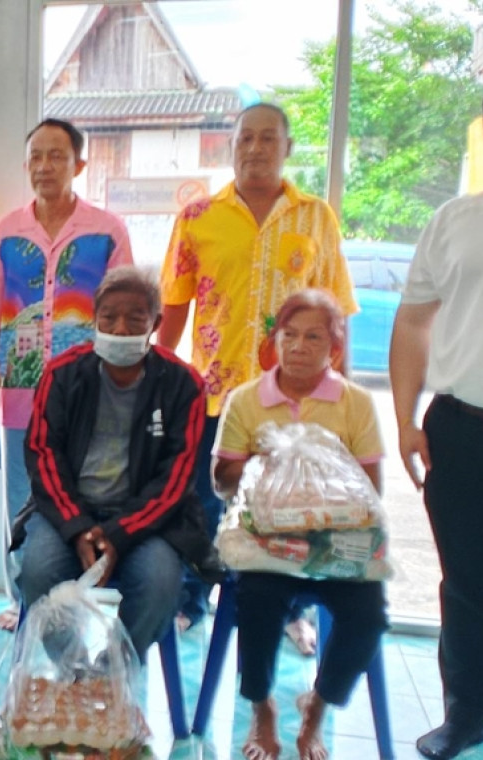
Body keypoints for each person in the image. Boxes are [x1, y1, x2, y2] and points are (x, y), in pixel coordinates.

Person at [158, 102, 357, 640]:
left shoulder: (316, 217)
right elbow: (174, 305)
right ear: (232, 147)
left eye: (268, 138)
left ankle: (289, 610)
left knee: (286, 507)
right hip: (213, 394)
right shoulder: (198, 217)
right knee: (201, 503)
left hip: (293, 398)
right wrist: (159, 380)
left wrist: (342, 392)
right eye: (245, 138)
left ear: (287, 147)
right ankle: (191, 599)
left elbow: (336, 311)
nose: (256, 148)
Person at [213, 289, 388, 760]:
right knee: (256, 600)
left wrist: (320, 475)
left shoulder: (354, 403)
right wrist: (272, 466)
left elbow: (371, 489)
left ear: (335, 348)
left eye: (314, 337)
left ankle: (317, 706)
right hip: (267, 543)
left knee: (369, 614)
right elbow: (221, 481)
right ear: (274, 341)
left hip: (336, 544)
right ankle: (261, 707)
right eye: (289, 335)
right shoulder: (247, 400)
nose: (298, 347)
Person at [0, 118, 133, 625]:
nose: (44, 166)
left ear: (78, 165)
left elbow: (126, 310)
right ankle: (25, 600)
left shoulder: (107, 230)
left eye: (56, 156)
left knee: (85, 490)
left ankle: (77, 598)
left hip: (90, 392)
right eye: (36, 157)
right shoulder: (7, 232)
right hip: (21, 390)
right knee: (22, 494)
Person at [17, 266, 214, 663]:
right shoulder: (62, 373)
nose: (120, 329)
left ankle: (114, 672)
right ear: (94, 319)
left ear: (155, 323)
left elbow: (176, 479)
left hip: (148, 521)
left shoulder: (184, 384)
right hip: (68, 513)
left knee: (160, 585)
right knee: (37, 572)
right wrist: (78, 528)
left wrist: (118, 533)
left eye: (135, 319)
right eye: (109, 318)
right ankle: (73, 668)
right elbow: (42, 454)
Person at [390, 193, 483, 760]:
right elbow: (413, 318)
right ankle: (466, 714)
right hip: (462, 427)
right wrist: (404, 419)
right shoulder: (455, 219)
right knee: (466, 583)